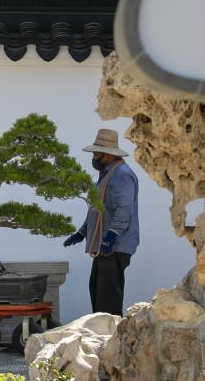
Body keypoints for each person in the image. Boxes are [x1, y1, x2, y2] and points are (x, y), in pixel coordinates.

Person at [63, 129, 139, 315]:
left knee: (108, 298)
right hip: (105, 246)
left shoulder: (121, 175)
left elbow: (124, 209)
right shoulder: (107, 174)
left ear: (108, 154)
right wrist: (82, 232)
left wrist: (111, 236)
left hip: (114, 246)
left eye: (97, 154)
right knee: (97, 291)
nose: (94, 158)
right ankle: (104, 335)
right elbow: (97, 211)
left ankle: (110, 337)